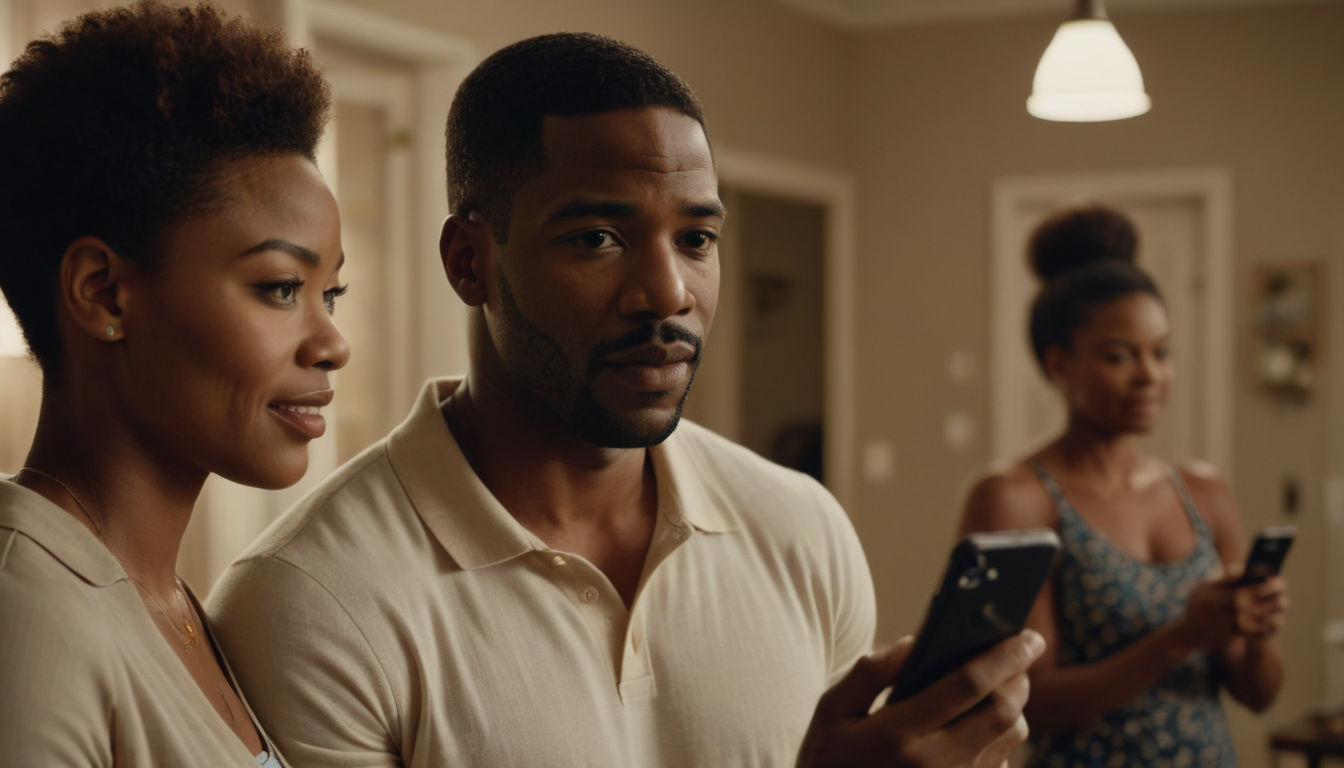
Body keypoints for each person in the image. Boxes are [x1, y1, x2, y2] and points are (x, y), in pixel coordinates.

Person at [207, 32, 1040, 768]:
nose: (667, 292)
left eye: (697, 239)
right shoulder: (310, 602)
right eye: (596, 238)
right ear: (469, 262)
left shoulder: (801, 528)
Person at [0, 3, 347, 765]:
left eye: (332, 294)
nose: (332, 344)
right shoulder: (26, 620)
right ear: (103, 294)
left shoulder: (177, 603)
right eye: (281, 287)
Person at [959, 204, 1288, 767]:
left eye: (1162, 353)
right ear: (1059, 365)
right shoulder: (1017, 496)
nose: (1150, 375)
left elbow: (1258, 695)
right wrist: (1180, 637)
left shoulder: (1202, 491)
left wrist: (1251, 632)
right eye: (1119, 356)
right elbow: (1024, 704)